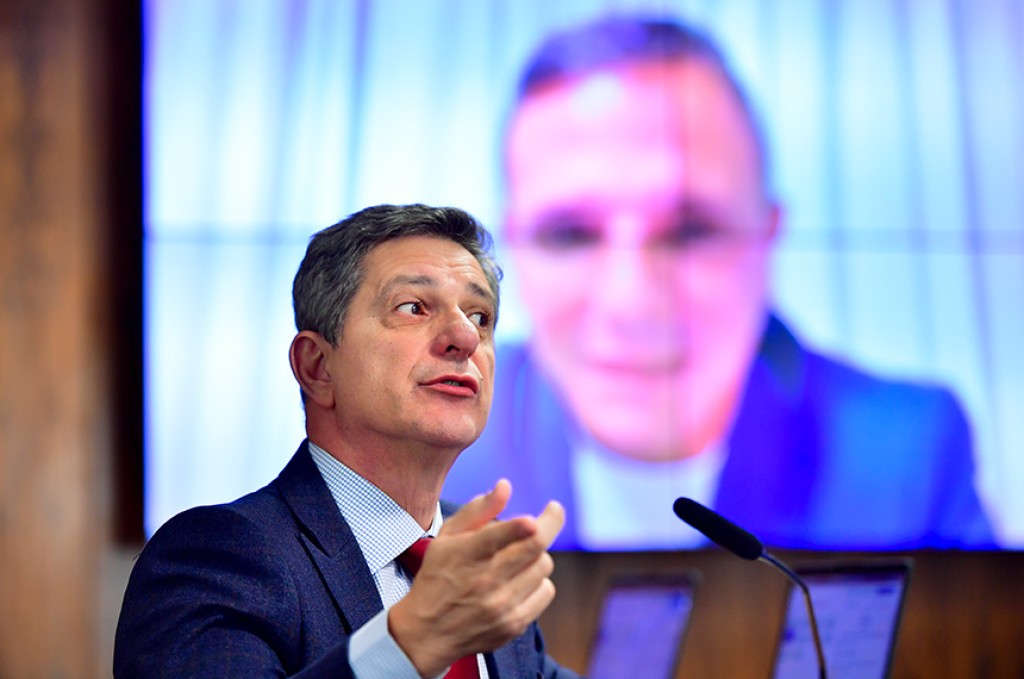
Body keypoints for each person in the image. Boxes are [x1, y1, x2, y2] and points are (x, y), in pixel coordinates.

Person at [443, 16, 995, 551]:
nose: (630, 301)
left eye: (690, 232)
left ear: (767, 239)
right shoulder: (428, 447)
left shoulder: (905, 455)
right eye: (570, 235)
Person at [115, 204, 579, 678]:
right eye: (413, 308)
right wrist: (413, 643)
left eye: (480, 316)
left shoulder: (481, 557)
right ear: (317, 366)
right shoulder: (219, 556)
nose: (465, 336)